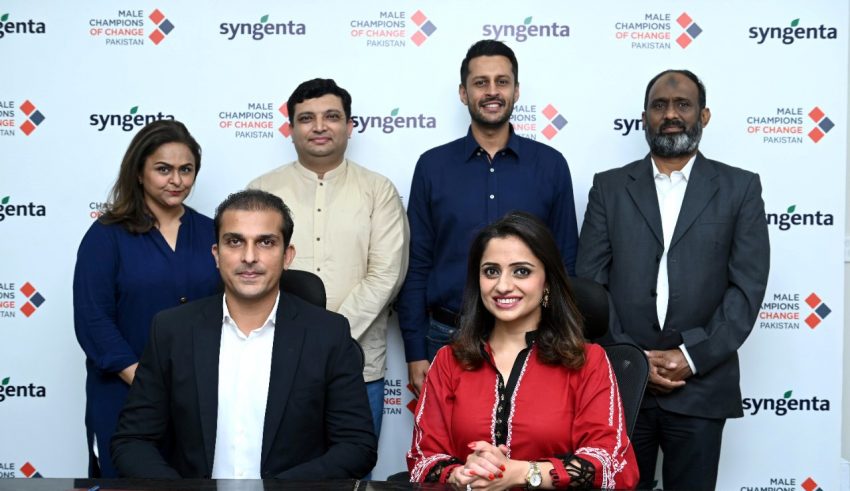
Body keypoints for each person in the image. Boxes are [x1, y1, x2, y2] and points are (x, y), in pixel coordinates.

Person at [576, 69, 770, 490]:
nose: (670, 114)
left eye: (683, 104)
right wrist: (632, 358)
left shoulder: (740, 188)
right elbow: (590, 287)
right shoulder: (609, 187)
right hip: (623, 385)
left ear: (704, 115)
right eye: (659, 105)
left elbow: (746, 291)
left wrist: (692, 355)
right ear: (644, 117)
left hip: (702, 385)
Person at [110, 189, 377, 479]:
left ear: (287, 256)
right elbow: (132, 441)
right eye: (235, 242)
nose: (249, 257)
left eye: (266, 242)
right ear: (216, 254)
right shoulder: (172, 330)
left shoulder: (328, 334)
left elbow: (356, 446)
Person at [399, 40, 579, 396]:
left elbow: (565, 263)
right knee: (449, 434)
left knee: (530, 432)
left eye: (502, 81)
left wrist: (556, 330)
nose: (492, 91)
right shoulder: (432, 166)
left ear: (516, 91)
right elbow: (417, 263)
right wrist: (415, 350)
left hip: (535, 337)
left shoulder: (551, 165)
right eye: (481, 83)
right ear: (464, 93)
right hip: (447, 336)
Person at [408, 211, 638, 490]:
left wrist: (523, 473)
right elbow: (423, 460)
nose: (503, 286)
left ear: (547, 282)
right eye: (491, 271)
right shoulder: (448, 360)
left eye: (522, 271)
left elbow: (611, 463)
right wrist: (460, 474)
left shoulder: (588, 361)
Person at [248, 78, 409, 439]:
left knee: (354, 465)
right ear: (290, 129)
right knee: (278, 467)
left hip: (358, 366)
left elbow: (386, 274)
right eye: (307, 118)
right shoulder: (261, 191)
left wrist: (328, 337)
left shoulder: (378, 190)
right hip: (277, 361)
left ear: (349, 126)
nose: (319, 127)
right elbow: (249, 271)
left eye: (331, 116)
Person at [73, 120, 221, 478]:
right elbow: (93, 320)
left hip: (199, 399)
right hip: (125, 397)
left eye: (186, 170)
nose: (177, 180)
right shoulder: (106, 235)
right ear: (139, 173)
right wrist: (145, 380)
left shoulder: (213, 232)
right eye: (163, 169)